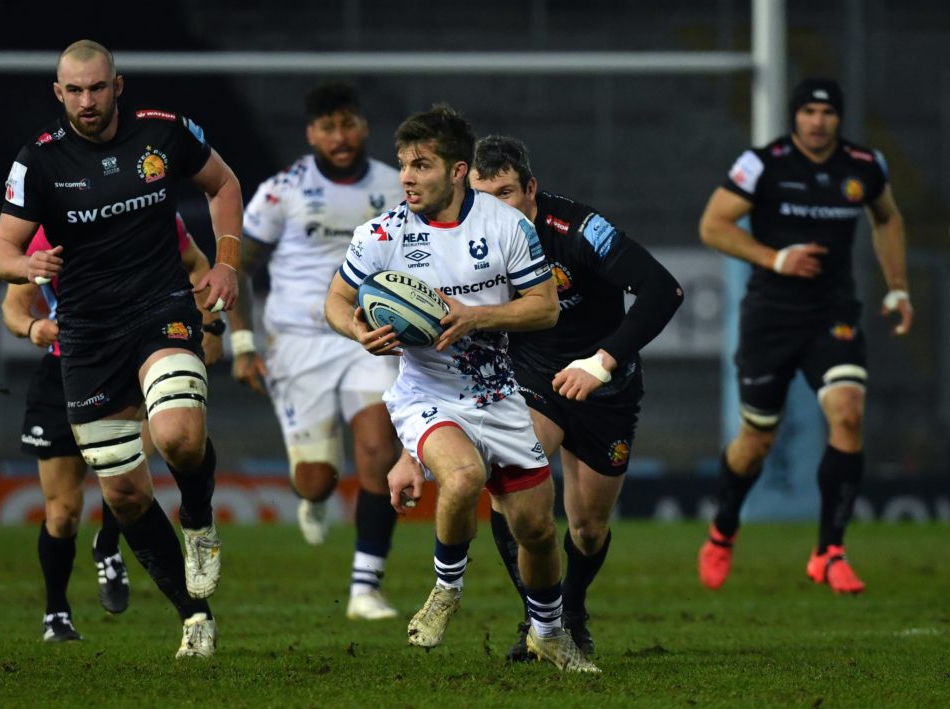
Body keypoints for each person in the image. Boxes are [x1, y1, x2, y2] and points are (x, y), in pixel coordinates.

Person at [0, 40, 244, 657]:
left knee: (180, 435)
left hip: (161, 310)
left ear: (117, 86)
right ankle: (194, 616)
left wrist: (227, 261)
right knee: (125, 496)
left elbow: (224, 183)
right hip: (88, 336)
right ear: (58, 94)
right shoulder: (38, 163)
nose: (86, 101)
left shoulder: (164, 135)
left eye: (97, 88)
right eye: (73, 91)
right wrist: (27, 263)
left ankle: (200, 520)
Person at [325, 103, 599, 673]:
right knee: (465, 476)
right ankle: (446, 587)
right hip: (425, 393)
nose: (405, 177)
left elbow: (545, 308)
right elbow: (336, 300)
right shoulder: (382, 233)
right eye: (402, 164)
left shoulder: (506, 227)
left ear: (455, 171)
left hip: (499, 394)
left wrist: (476, 317)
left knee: (538, 530)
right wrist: (356, 330)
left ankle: (549, 633)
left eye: (420, 165)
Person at [467, 135, 684, 659]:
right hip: (530, 375)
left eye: (506, 194)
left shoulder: (579, 229)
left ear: (531, 189)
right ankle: (539, 621)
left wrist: (601, 363)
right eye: (482, 196)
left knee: (587, 528)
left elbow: (664, 291)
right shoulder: (465, 235)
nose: (494, 208)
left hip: (605, 383)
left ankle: (574, 609)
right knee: (510, 485)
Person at [696, 78, 912, 594]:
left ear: (839, 118)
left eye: (827, 112)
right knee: (756, 442)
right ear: (795, 117)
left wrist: (899, 288)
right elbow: (714, 224)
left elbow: (888, 218)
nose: (819, 120)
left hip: (833, 314)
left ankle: (829, 551)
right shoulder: (763, 164)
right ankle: (724, 527)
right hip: (771, 317)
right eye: (809, 111)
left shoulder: (864, 165)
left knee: (848, 412)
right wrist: (776, 258)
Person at [229, 82, 404, 620]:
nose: (340, 136)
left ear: (364, 127)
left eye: (348, 123)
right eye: (328, 127)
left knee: (378, 450)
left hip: (365, 336)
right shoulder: (281, 192)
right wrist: (241, 343)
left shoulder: (396, 187)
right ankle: (313, 497)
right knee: (317, 478)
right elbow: (239, 265)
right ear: (311, 134)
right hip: (297, 342)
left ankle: (364, 588)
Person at [3, 215, 223, 642]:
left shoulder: (149, 208)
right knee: (63, 513)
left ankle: (112, 544)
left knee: (142, 460)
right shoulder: (46, 235)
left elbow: (197, 265)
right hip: (67, 367)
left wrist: (210, 324)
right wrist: (33, 327)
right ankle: (57, 612)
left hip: (135, 358)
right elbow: (13, 305)